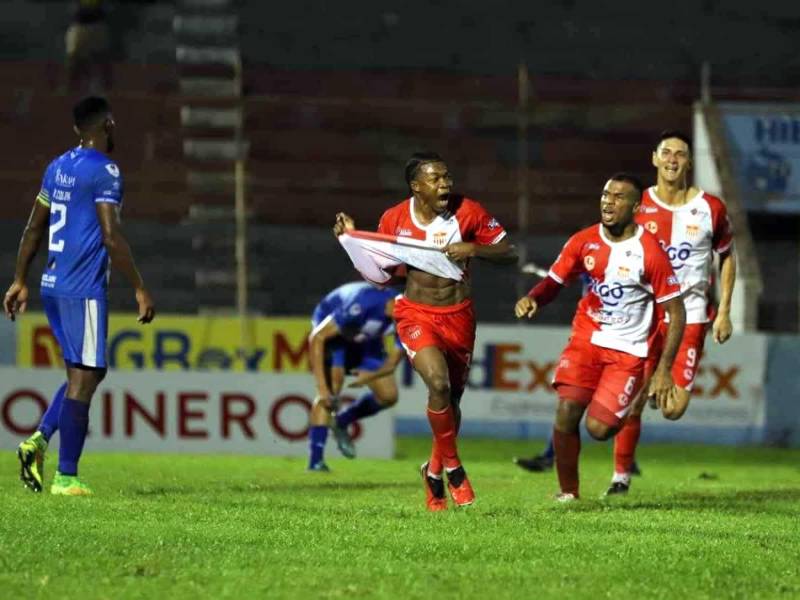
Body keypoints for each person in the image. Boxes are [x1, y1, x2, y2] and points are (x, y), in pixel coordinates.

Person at [334, 152, 517, 511]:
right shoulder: (395, 218)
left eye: (447, 176)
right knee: (439, 384)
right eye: (435, 179)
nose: (445, 183)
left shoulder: (469, 212)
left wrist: (474, 249)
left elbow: (508, 252)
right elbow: (382, 271)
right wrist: (352, 240)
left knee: (452, 403)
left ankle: (432, 472)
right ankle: (454, 469)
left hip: (459, 315)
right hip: (416, 314)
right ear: (416, 187)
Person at [5, 96, 155, 496]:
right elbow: (110, 235)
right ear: (108, 124)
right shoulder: (105, 171)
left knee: (85, 371)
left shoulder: (58, 167)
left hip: (52, 286)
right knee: (86, 378)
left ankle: (37, 441)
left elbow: (34, 227)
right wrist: (139, 286)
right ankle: (66, 476)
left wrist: (20, 279)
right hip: (83, 287)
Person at [514, 173, 685, 501]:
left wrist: (663, 370)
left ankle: (626, 411)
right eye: (606, 194)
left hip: (629, 350)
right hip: (586, 340)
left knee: (599, 429)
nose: (608, 201)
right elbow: (554, 281)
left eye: (619, 197)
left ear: (635, 207)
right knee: (566, 413)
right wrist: (535, 297)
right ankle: (568, 494)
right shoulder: (583, 241)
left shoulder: (650, 252)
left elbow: (677, 313)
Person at [605, 131, 736, 495]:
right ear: (654, 159)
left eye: (681, 153)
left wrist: (724, 310)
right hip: (643, 315)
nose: (673, 159)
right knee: (631, 399)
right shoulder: (636, 203)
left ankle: (651, 386)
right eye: (667, 152)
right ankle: (620, 477)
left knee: (675, 408)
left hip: (692, 315)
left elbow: (727, 255)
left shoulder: (711, 207)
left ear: (689, 162)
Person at [307, 282, 405, 471]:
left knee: (388, 395)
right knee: (331, 391)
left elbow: (391, 364)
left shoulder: (406, 318)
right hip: (333, 335)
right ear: (393, 303)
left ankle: (342, 421)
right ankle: (316, 462)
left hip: (365, 340)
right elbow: (317, 338)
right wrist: (322, 387)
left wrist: (369, 377)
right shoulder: (363, 302)